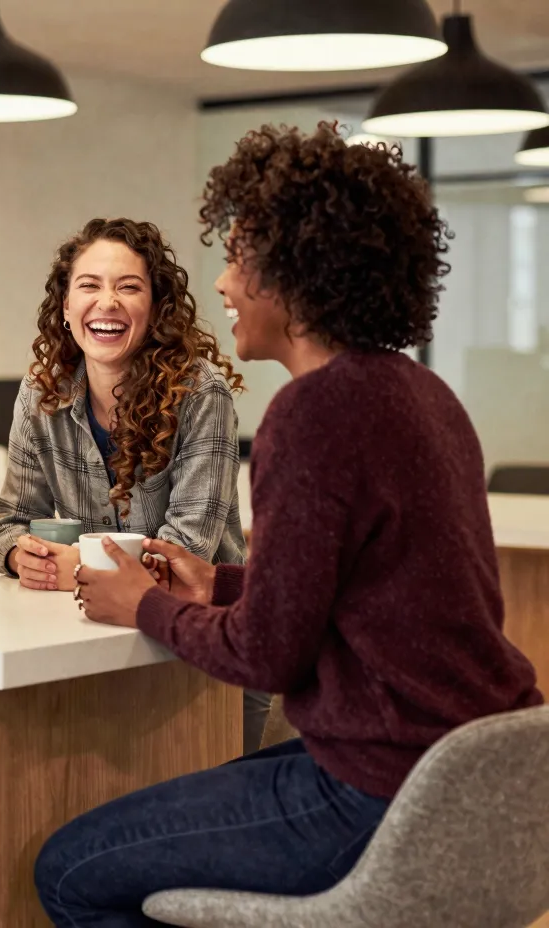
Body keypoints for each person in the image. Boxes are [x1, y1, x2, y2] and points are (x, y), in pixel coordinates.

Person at [34, 124, 544, 928]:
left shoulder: (312, 413)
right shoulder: (424, 394)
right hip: (475, 776)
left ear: (294, 273)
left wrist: (144, 605)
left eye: (238, 258)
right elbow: (369, 591)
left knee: (68, 870)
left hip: (373, 792)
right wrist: (220, 582)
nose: (223, 282)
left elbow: (266, 655)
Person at [0, 218, 267, 750]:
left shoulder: (201, 392)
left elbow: (187, 552)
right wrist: (20, 555)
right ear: (65, 306)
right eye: (89, 285)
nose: (107, 302)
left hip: (203, 657)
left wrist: (77, 568)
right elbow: (11, 523)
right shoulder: (40, 393)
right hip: (86, 645)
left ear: (156, 308)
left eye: (129, 287)